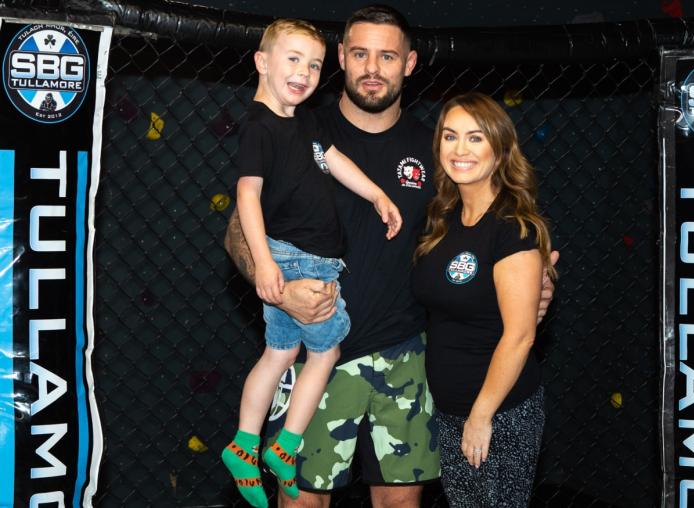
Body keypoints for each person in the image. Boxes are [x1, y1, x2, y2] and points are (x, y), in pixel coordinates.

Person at [224, 6, 559, 507]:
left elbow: (487, 225)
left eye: (387, 55)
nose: (372, 67)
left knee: (400, 501)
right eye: (359, 53)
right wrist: (276, 287)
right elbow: (237, 229)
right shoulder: (296, 129)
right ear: (340, 58)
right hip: (317, 347)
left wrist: (538, 277)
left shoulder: (438, 149)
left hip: (404, 354)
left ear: (410, 63)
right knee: (301, 501)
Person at [222, 18, 402, 508]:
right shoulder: (260, 126)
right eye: (293, 59)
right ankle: (285, 445)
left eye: (315, 64)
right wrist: (263, 263)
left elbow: (333, 158)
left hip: (305, 260)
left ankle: (247, 444)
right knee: (325, 353)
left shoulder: (300, 121)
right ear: (262, 63)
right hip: (297, 261)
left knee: (280, 354)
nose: (305, 72)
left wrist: (378, 194)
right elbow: (247, 196)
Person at [411, 92, 557, 508]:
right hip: (452, 412)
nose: (460, 149)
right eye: (450, 136)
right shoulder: (442, 222)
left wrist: (481, 416)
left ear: (499, 149)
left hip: (499, 415)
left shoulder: (512, 228)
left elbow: (520, 336)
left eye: (475, 138)